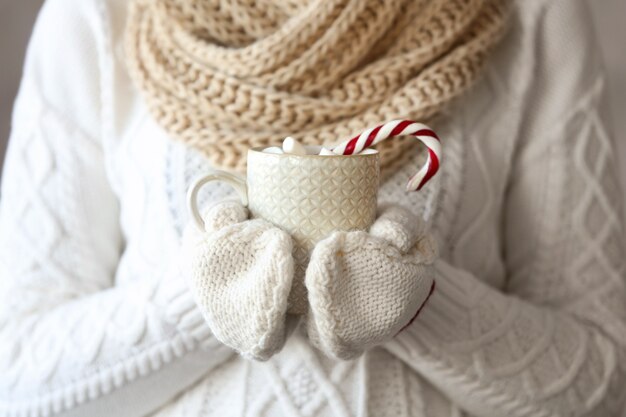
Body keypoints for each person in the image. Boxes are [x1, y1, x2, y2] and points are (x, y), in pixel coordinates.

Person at [0, 0, 624, 415]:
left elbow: (604, 380)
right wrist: (204, 296)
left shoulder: (534, 15)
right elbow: (18, 375)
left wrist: (417, 305)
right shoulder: (100, 14)